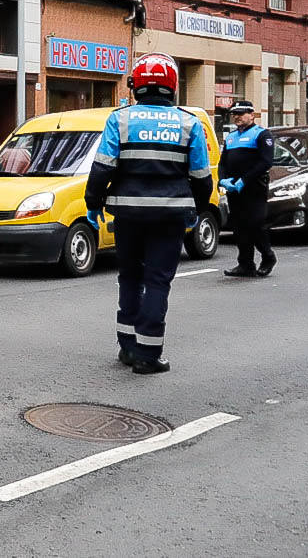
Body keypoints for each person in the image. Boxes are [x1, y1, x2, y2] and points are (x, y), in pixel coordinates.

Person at [85, 53, 213, 375]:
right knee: (157, 281)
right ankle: (148, 355)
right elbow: (201, 177)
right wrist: (196, 209)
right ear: (172, 86)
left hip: (127, 216)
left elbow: (101, 168)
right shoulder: (189, 123)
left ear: (135, 85)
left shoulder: (120, 119)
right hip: (170, 218)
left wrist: (93, 203)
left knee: (129, 277)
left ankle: (127, 348)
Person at [218, 100, 276, 277]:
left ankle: (268, 256)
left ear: (252, 115)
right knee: (239, 226)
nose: (237, 117)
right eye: (234, 114)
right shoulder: (231, 137)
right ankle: (245, 263)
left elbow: (265, 161)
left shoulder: (261, 134)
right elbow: (223, 163)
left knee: (255, 223)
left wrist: (244, 180)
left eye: (241, 114)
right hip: (234, 189)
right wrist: (223, 180)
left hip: (254, 187)